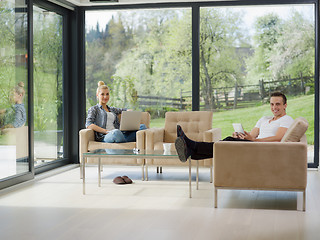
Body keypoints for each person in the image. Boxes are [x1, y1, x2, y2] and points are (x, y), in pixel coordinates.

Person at [175, 92, 294, 162]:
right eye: (272, 104)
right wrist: (241, 136)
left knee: (228, 142)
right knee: (229, 142)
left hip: (263, 148)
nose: (274, 107)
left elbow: (278, 138)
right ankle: (191, 151)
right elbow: (251, 135)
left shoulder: (287, 119)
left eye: (278, 104)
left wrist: (255, 140)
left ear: (285, 105)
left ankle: (191, 146)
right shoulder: (264, 119)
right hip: (254, 144)